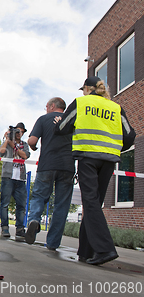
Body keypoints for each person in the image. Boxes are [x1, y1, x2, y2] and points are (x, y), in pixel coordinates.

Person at [54, 76, 135, 265]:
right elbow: (130, 136)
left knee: (89, 202)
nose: (82, 92)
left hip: (88, 157)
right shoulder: (115, 107)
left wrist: (58, 121)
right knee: (93, 204)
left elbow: (62, 128)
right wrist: (112, 148)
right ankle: (86, 252)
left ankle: (105, 249)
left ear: (88, 89)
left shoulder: (81, 103)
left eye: (83, 89)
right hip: (108, 160)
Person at [25, 97, 75, 250]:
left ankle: (34, 220)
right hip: (67, 166)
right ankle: (53, 243)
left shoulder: (43, 119)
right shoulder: (72, 119)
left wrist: (34, 148)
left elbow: (32, 141)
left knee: (39, 196)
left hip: (47, 164)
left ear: (53, 106)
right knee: (61, 204)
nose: (46, 108)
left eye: (46, 106)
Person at [0, 122, 30, 241]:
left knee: (21, 205)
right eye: (17, 131)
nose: (19, 133)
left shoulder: (24, 145)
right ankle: (5, 227)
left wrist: (14, 146)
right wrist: (7, 140)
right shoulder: (8, 143)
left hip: (20, 178)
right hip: (8, 177)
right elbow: (0, 152)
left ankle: (20, 229)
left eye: (21, 131)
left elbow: (25, 155)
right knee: (4, 204)